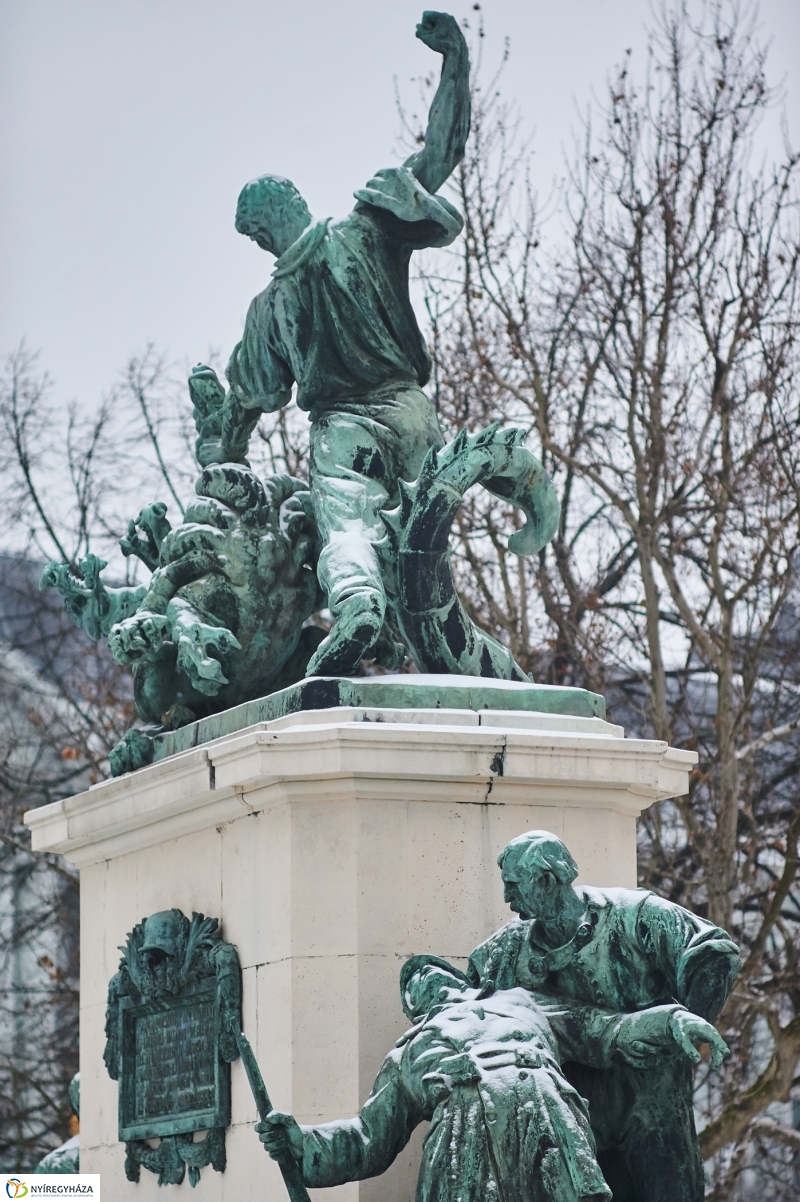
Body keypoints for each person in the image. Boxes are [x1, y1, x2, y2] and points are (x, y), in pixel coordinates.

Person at [212, 11, 471, 677]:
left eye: (255, 231)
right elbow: (438, 157)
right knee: (422, 548)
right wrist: (455, 63)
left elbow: (249, 397)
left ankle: (358, 606)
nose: (260, 241)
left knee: (349, 528)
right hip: (412, 413)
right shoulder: (368, 226)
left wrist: (222, 454)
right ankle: (433, 648)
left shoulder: (271, 308)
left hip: (344, 429)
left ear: (267, 226)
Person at [257, 955, 728, 1202]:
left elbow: (606, 1030)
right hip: (463, 1130)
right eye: (412, 985)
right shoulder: (409, 1050)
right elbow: (368, 1137)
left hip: (543, 1109)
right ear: (414, 1009)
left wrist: (671, 1021)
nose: (422, 979)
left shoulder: (523, 1003)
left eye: (430, 970)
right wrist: (302, 1142)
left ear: (458, 979)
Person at [467, 831, 741, 1202]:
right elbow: (463, 999)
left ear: (546, 880)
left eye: (513, 885)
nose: (506, 897)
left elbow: (714, 955)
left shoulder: (633, 915)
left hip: (653, 1108)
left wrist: (686, 1028)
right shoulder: (509, 949)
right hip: (577, 1119)